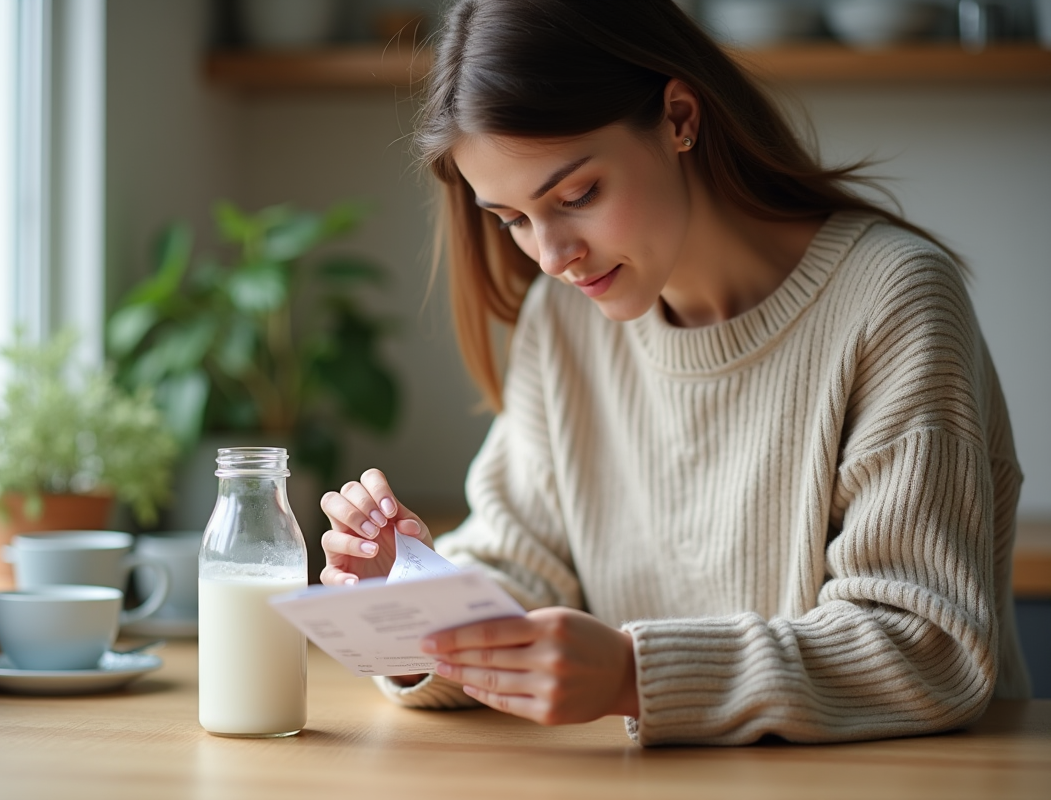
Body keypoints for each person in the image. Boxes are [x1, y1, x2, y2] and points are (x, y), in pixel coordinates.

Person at [318, 0, 1031, 746]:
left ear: (680, 117)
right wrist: (412, 604)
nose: (553, 257)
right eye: (514, 220)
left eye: (577, 196)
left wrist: (633, 674)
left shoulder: (893, 300)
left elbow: (926, 646)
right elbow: (521, 566)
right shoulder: (562, 321)